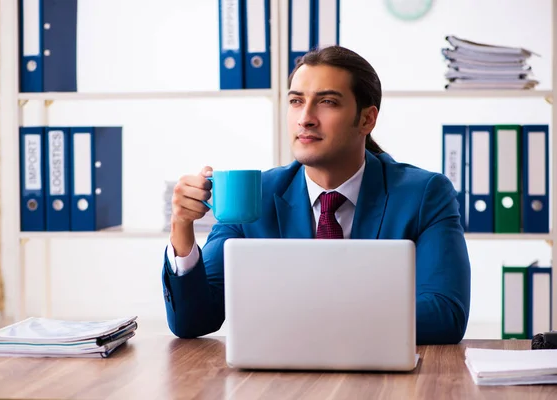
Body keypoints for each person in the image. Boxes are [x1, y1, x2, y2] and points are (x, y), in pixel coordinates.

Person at [162, 45, 471, 345]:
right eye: (296, 101)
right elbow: (194, 321)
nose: (305, 118)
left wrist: (304, 315)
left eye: (327, 102)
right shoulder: (258, 195)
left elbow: (445, 315)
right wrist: (182, 228)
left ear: (367, 119)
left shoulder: (423, 194)